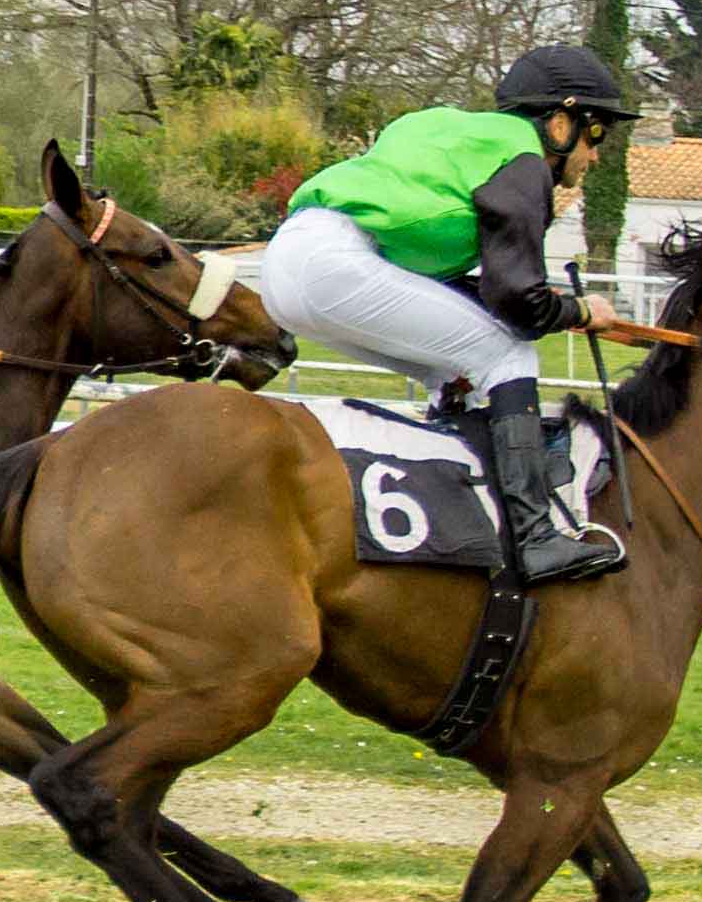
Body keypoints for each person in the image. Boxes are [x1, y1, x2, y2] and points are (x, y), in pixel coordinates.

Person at [261, 42, 644, 584]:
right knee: (508, 352)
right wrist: (582, 310)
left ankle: (454, 495)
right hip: (335, 265)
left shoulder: (464, 136)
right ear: (560, 123)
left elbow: (478, 287)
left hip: (289, 266)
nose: (597, 153)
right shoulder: (524, 163)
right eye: (597, 131)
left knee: (456, 368)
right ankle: (535, 537)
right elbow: (520, 307)